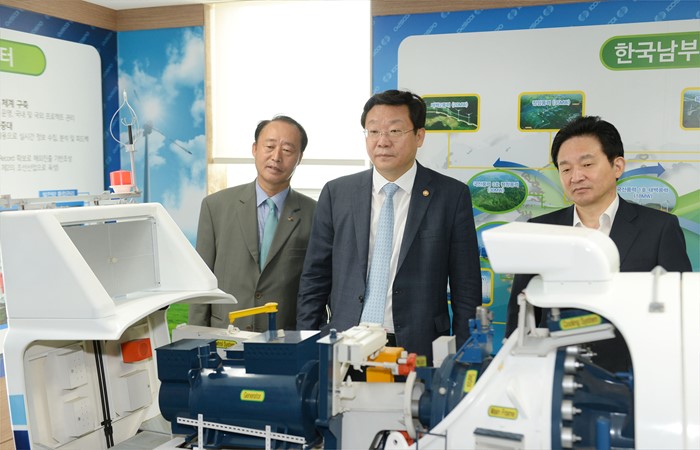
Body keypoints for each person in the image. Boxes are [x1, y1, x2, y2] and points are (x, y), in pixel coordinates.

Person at [296, 90, 482, 361]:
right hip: (345, 342)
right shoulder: (337, 193)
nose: (382, 141)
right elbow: (315, 277)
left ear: (419, 136)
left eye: (395, 131)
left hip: (418, 346)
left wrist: (465, 356)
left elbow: (466, 286)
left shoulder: (451, 196)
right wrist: (307, 343)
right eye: (373, 131)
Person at [504, 115, 691, 371]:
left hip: (634, 373)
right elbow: (520, 316)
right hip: (553, 372)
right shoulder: (540, 231)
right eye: (565, 169)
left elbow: (679, 313)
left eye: (587, 164)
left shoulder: (659, 228)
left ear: (617, 166)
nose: (576, 176)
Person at [189, 115, 316, 332]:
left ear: (299, 158)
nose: (276, 157)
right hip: (225, 335)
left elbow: (318, 287)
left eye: (287, 150)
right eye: (269, 146)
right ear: (255, 149)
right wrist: (196, 337)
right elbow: (202, 281)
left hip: (284, 337)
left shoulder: (315, 214)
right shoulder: (215, 206)